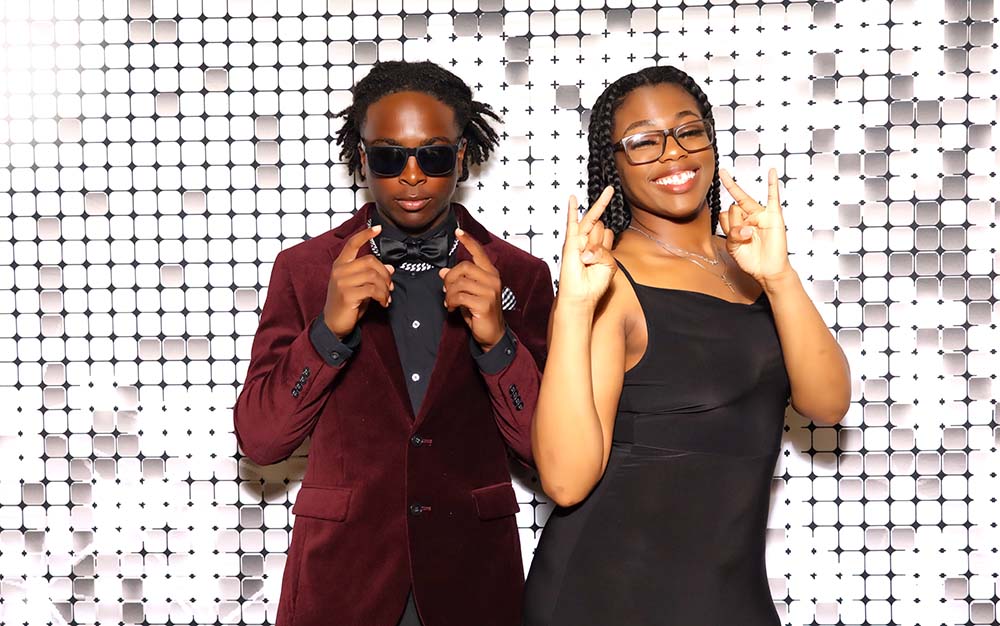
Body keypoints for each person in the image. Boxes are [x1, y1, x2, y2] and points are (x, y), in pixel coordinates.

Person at [523, 65, 851, 624]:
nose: (673, 153)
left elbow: (827, 404)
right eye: (643, 141)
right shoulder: (606, 283)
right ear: (613, 163)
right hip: (608, 594)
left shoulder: (751, 262)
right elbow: (566, 481)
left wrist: (779, 277)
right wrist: (574, 308)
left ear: (711, 141)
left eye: (688, 131)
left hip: (728, 592)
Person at [233, 61, 553, 626]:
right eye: (388, 157)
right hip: (341, 581)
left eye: (433, 156)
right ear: (362, 159)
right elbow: (261, 440)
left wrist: (497, 344)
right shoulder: (305, 271)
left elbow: (549, 452)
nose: (411, 176)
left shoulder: (519, 275)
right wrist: (327, 332)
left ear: (461, 157)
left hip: (472, 580)